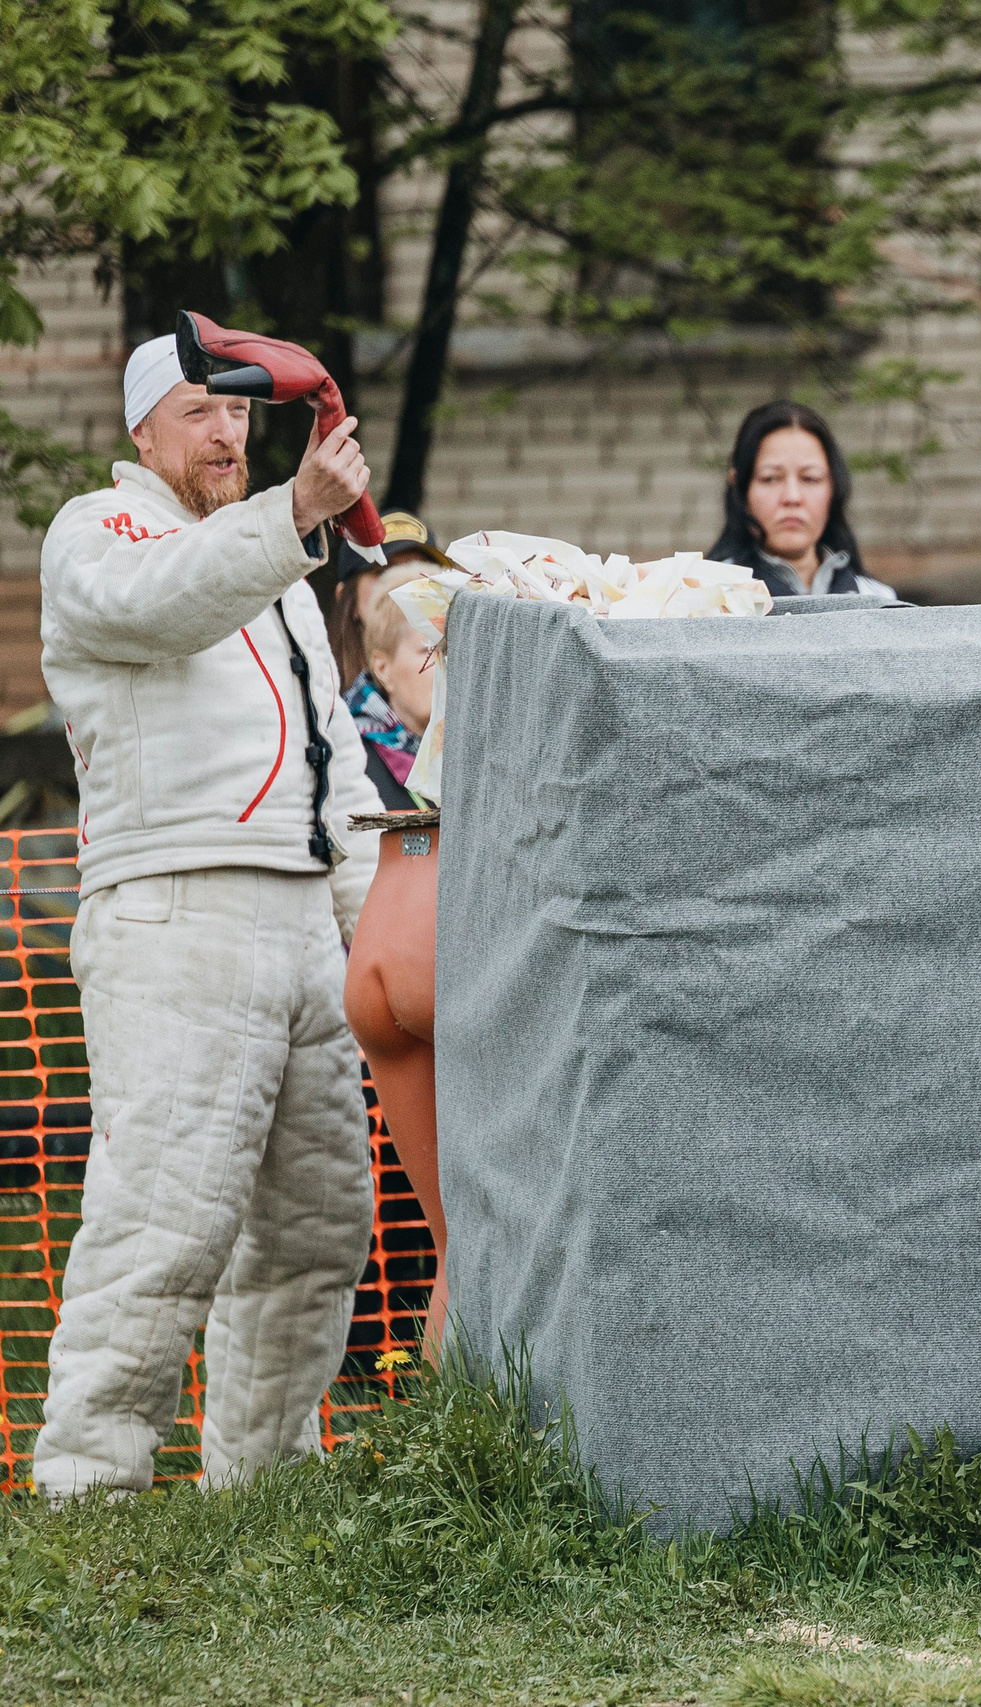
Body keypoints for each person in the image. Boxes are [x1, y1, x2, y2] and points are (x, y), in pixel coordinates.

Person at [34, 332, 384, 1499]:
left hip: (303, 927)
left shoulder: (273, 566)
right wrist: (296, 511)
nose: (227, 434)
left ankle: (267, 1483)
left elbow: (333, 766)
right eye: (198, 413)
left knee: (317, 1227)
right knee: (163, 1225)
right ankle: (90, 1480)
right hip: (173, 912)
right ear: (143, 433)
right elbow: (164, 605)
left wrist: (376, 932)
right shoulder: (99, 530)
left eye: (237, 415)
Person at [707, 401, 897, 600]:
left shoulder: (877, 600)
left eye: (810, 478)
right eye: (770, 478)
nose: (792, 497)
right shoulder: (708, 599)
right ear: (740, 488)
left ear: (834, 488)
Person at [328, 510, 448, 692]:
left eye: (420, 571)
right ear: (345, 597)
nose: (406, 583)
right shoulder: (321, 684)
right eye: (384, 572)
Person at [355, 571, 432, 810]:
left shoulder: (484, 761)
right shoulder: (350, 762)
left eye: (452, 649)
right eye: (428, 651)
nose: (445, 665)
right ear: (382, 668)